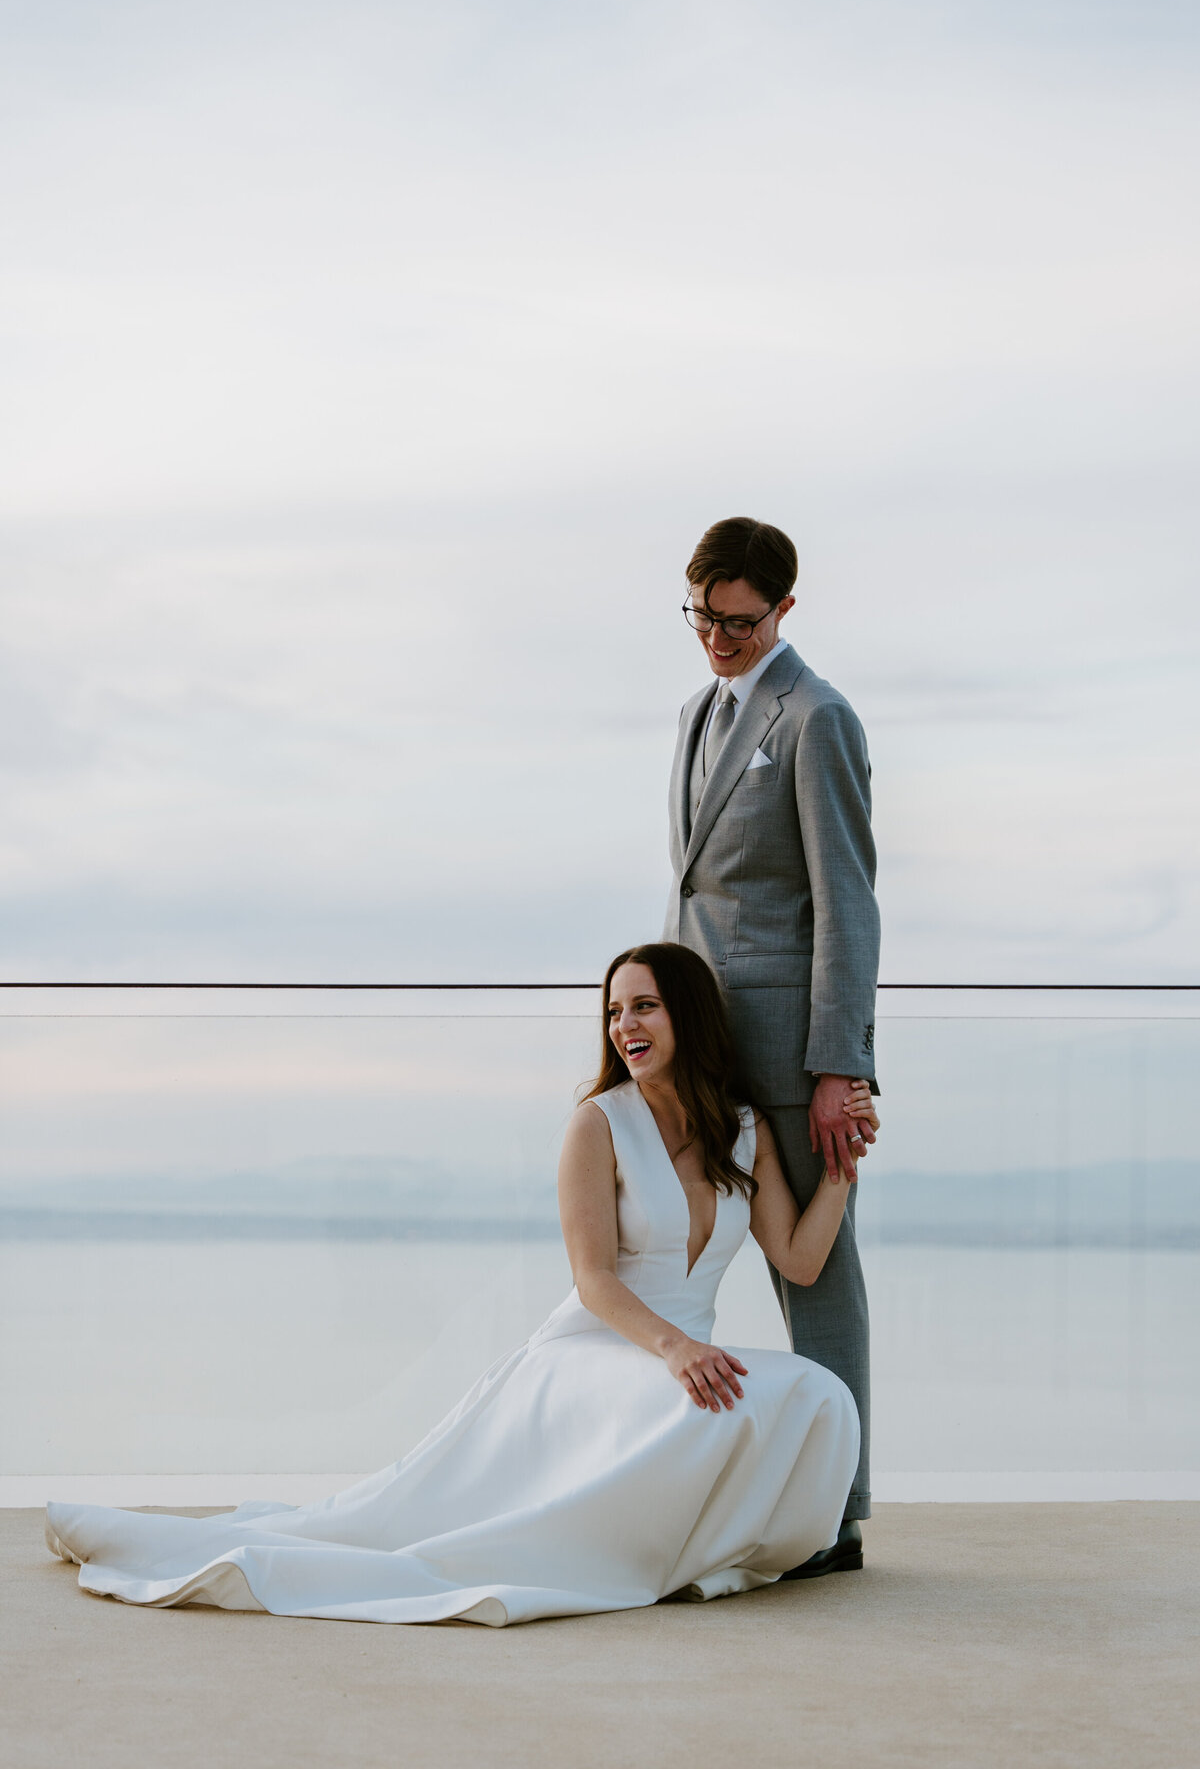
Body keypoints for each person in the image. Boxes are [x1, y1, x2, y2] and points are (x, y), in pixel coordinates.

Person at [46, 944, 878, 1627]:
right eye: (615, 1010)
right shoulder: (597, 1124)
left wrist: (840, 1168)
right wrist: (674, 1348)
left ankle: (730, 1552)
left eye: (645, 1005)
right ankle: (650, 1555)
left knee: (820, 1394)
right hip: (600, 1349)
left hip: (680, 1350)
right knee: (698, 1403)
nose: (625, 1024)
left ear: (689, 1015)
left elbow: (798, 1261)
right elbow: (592, 1281)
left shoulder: (743, 1130)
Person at [665, 516, 881, 1574]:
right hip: (702, 1043)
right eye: (704, 616)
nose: (719, 639)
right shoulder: (699, 712)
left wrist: (841, 1066)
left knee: (817, 1277)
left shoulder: (819, 718)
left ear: (785, 610)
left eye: (741, 624)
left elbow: (847, 904)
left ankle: (837, 1514)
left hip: (795, 1050)